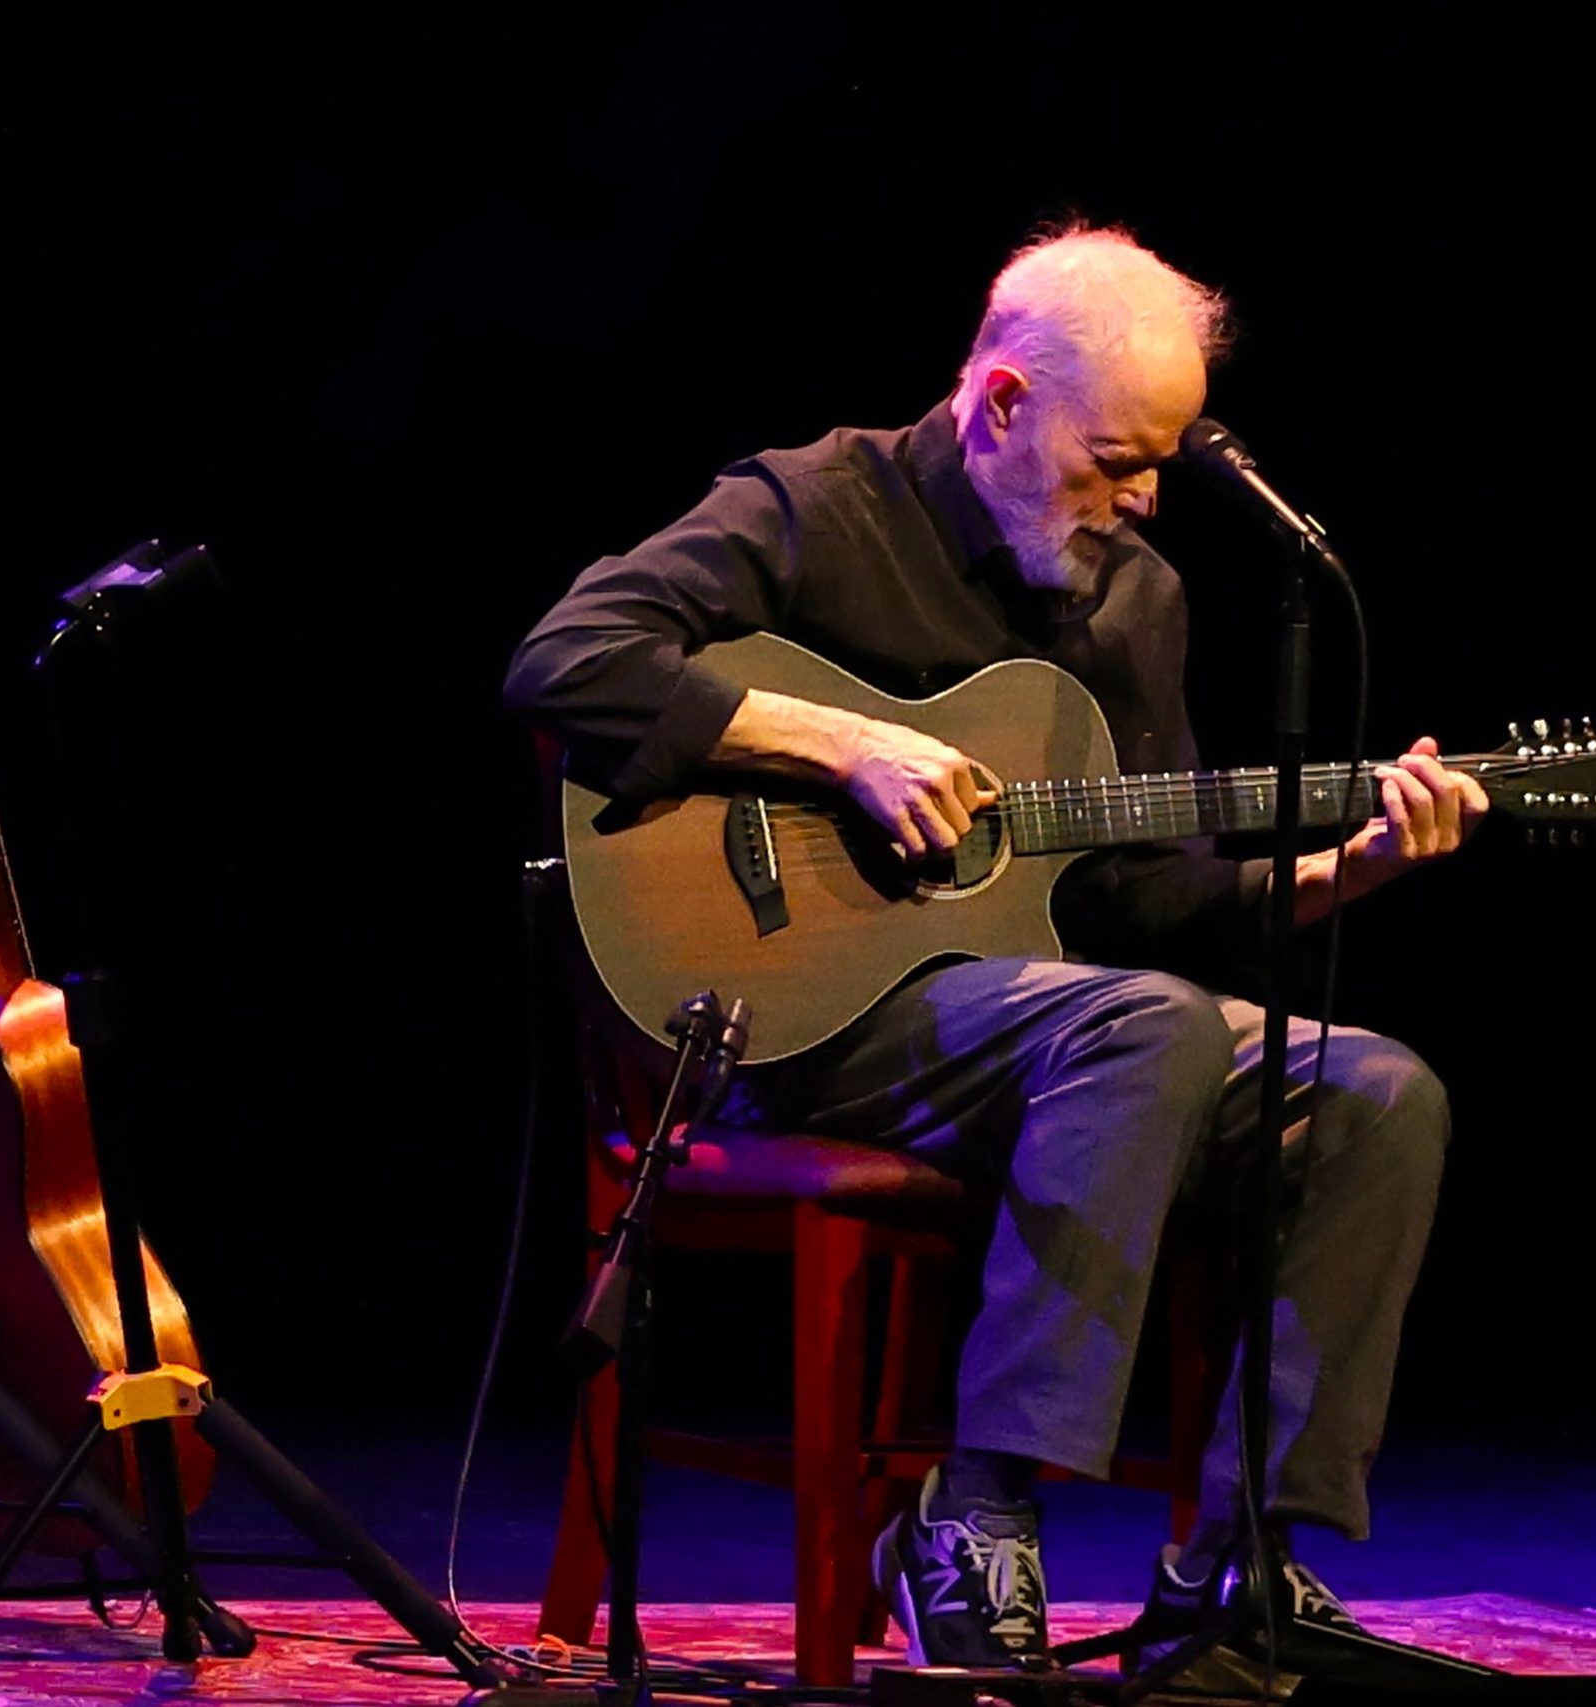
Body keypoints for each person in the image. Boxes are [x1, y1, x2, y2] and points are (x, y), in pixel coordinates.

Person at [502, 222, 1487, 1686]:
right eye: (1113, 461)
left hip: (1036, 1033)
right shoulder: (819, 505)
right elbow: (566, 657)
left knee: (1371, 1091)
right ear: (1004, 402)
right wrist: (842, 747)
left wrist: (1348, 870)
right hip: (792, 1023)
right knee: (1143, 1028)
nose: (1142, 502)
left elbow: (1155, 907)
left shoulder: (1133, 598)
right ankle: (974, 1514)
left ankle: (1245, 1570)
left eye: (1162, 462)